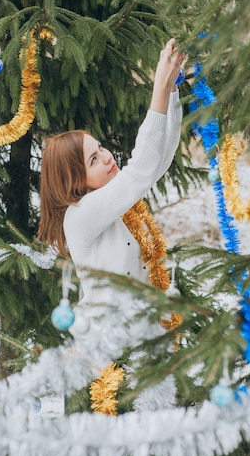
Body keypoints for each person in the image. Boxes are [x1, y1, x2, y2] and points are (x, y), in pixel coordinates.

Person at [38, 38, 185, 328]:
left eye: (100, 148)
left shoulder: (116, 206)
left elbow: (158, 161)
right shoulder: (80, 215)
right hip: (109, 352)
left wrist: (170, 90)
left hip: (143, 339)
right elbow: (141, 169)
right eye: (93, 160)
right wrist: (158, 88)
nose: (106, 157)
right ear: (73, 181)